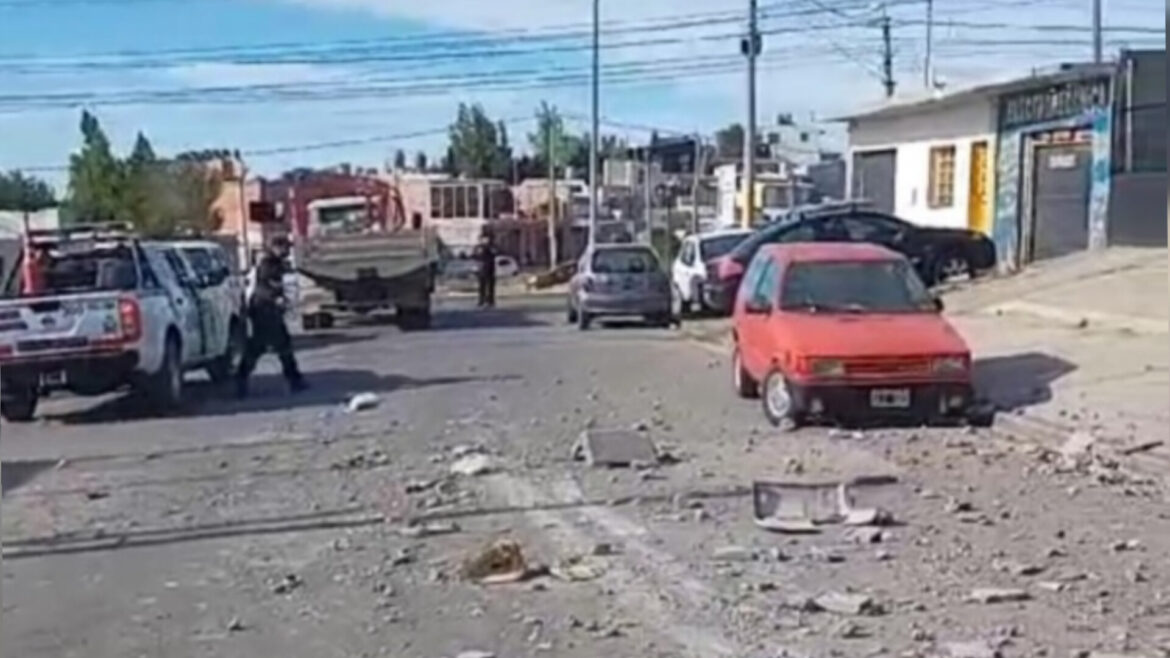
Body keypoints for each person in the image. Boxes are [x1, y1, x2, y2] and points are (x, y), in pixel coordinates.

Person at [235, 235, 306, 397]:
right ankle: (241, 380)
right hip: (264, 310)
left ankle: (294, 380)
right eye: (284, 248)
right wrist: (276, 298)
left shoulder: (276, 264)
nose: (287, 251)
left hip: (268, 310)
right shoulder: (268, 265)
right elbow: (263, 288)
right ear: (275, 247)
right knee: (262, 347)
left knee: (279, 345)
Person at [472, 232, 497, 308]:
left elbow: (496, 253)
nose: (485, 240)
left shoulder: (492, 246)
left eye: (487, 239)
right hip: (481, 269)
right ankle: (481, 300)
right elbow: (474, 256)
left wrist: (489, 248)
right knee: (481, 286)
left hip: (490, 269)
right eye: (483, 239)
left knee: (490, 286)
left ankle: (490, 301)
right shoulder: (478, 247)